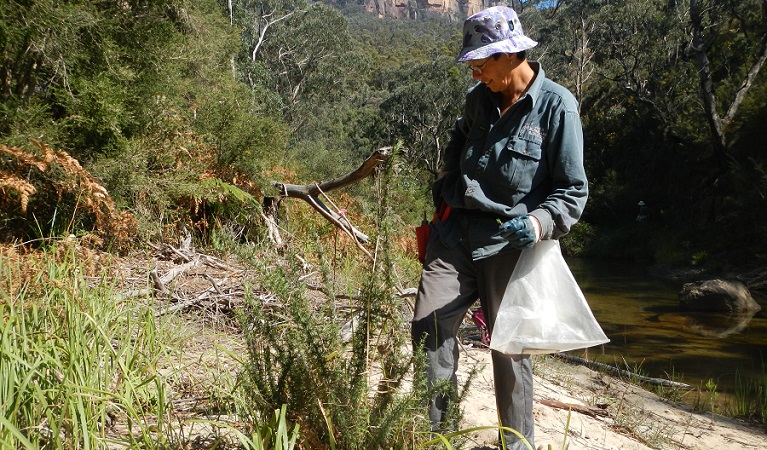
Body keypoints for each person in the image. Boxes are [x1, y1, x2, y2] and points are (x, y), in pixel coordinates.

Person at [411, 6, 588, 450]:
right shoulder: (479, 99)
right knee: (428, 326)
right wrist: (448, 180)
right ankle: (439, 438)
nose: (474, 70)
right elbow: (457, 140)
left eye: (482, 61)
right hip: (453, 236)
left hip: (508, 245)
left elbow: (572, 191)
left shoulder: (556, 107)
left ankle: (517, 444)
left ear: (511, 56)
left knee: (510, 351)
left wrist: (538, 221)